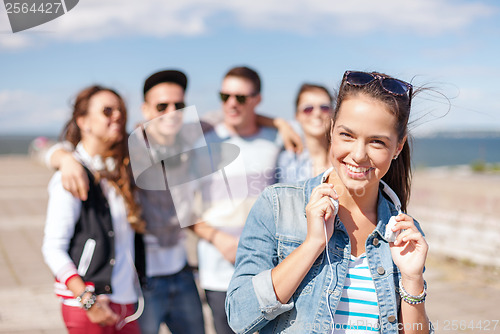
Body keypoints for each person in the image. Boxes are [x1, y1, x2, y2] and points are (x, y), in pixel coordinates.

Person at [42, 69, 300, 334]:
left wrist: (280, 123)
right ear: (145, 110)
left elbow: (237, 113)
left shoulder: (193, 134)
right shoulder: (128, 148)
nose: (171, 112)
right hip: (143, 282)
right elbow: (75, 150)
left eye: (179, 105)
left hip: (183, 274)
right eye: (161, 106)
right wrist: (63, 158)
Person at [226, 70, 433, 334]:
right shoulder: (277, 205)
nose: (358, 155)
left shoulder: (404, 233)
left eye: (377, 142)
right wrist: (312, 245)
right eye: (347, 135)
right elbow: (239, 315)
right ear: (332, 129)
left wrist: (413, 280)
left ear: (398, 147)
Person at [41, 85, 143, 333]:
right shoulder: (71, 176)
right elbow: (52, 248)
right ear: (83, 121)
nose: (117, 116)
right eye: (107, 111)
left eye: (121, 111)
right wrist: (87, 300)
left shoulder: (121, 168)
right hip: (90, 305)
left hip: (126, 303)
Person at [191, 66, 283, 334]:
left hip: (269, 270)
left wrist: (280, 123)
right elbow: (183, 210)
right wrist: (219, 240)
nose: (231, 103)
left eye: (241, 98)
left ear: (257, 99)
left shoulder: (276, 140)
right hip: (218, 272)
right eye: (225, 96)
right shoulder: (202, 142)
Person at [277, 83, 333, 183]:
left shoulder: (345, 158)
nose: (317, 113)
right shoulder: (287, 160)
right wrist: (280, 123)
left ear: (333, 112)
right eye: (308, 109)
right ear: (297, 115)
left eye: (324, 107)